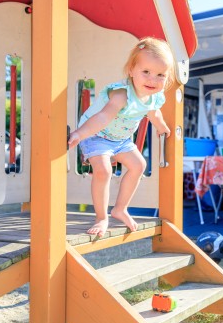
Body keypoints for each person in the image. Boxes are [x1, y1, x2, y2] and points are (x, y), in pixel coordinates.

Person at [68, 37, 173, 237]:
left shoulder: (154, 97)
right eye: (146, 72)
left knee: (139, 165)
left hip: (121, 140)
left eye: (161, 75)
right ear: (131, 70)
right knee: (104, 171)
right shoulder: (121, 94)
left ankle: (120, 209)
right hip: (96, 134)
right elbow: (103, 117)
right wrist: (80, 134)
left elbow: (154, 113)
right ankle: (101, 217)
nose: (153, 80)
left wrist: (162, 127)